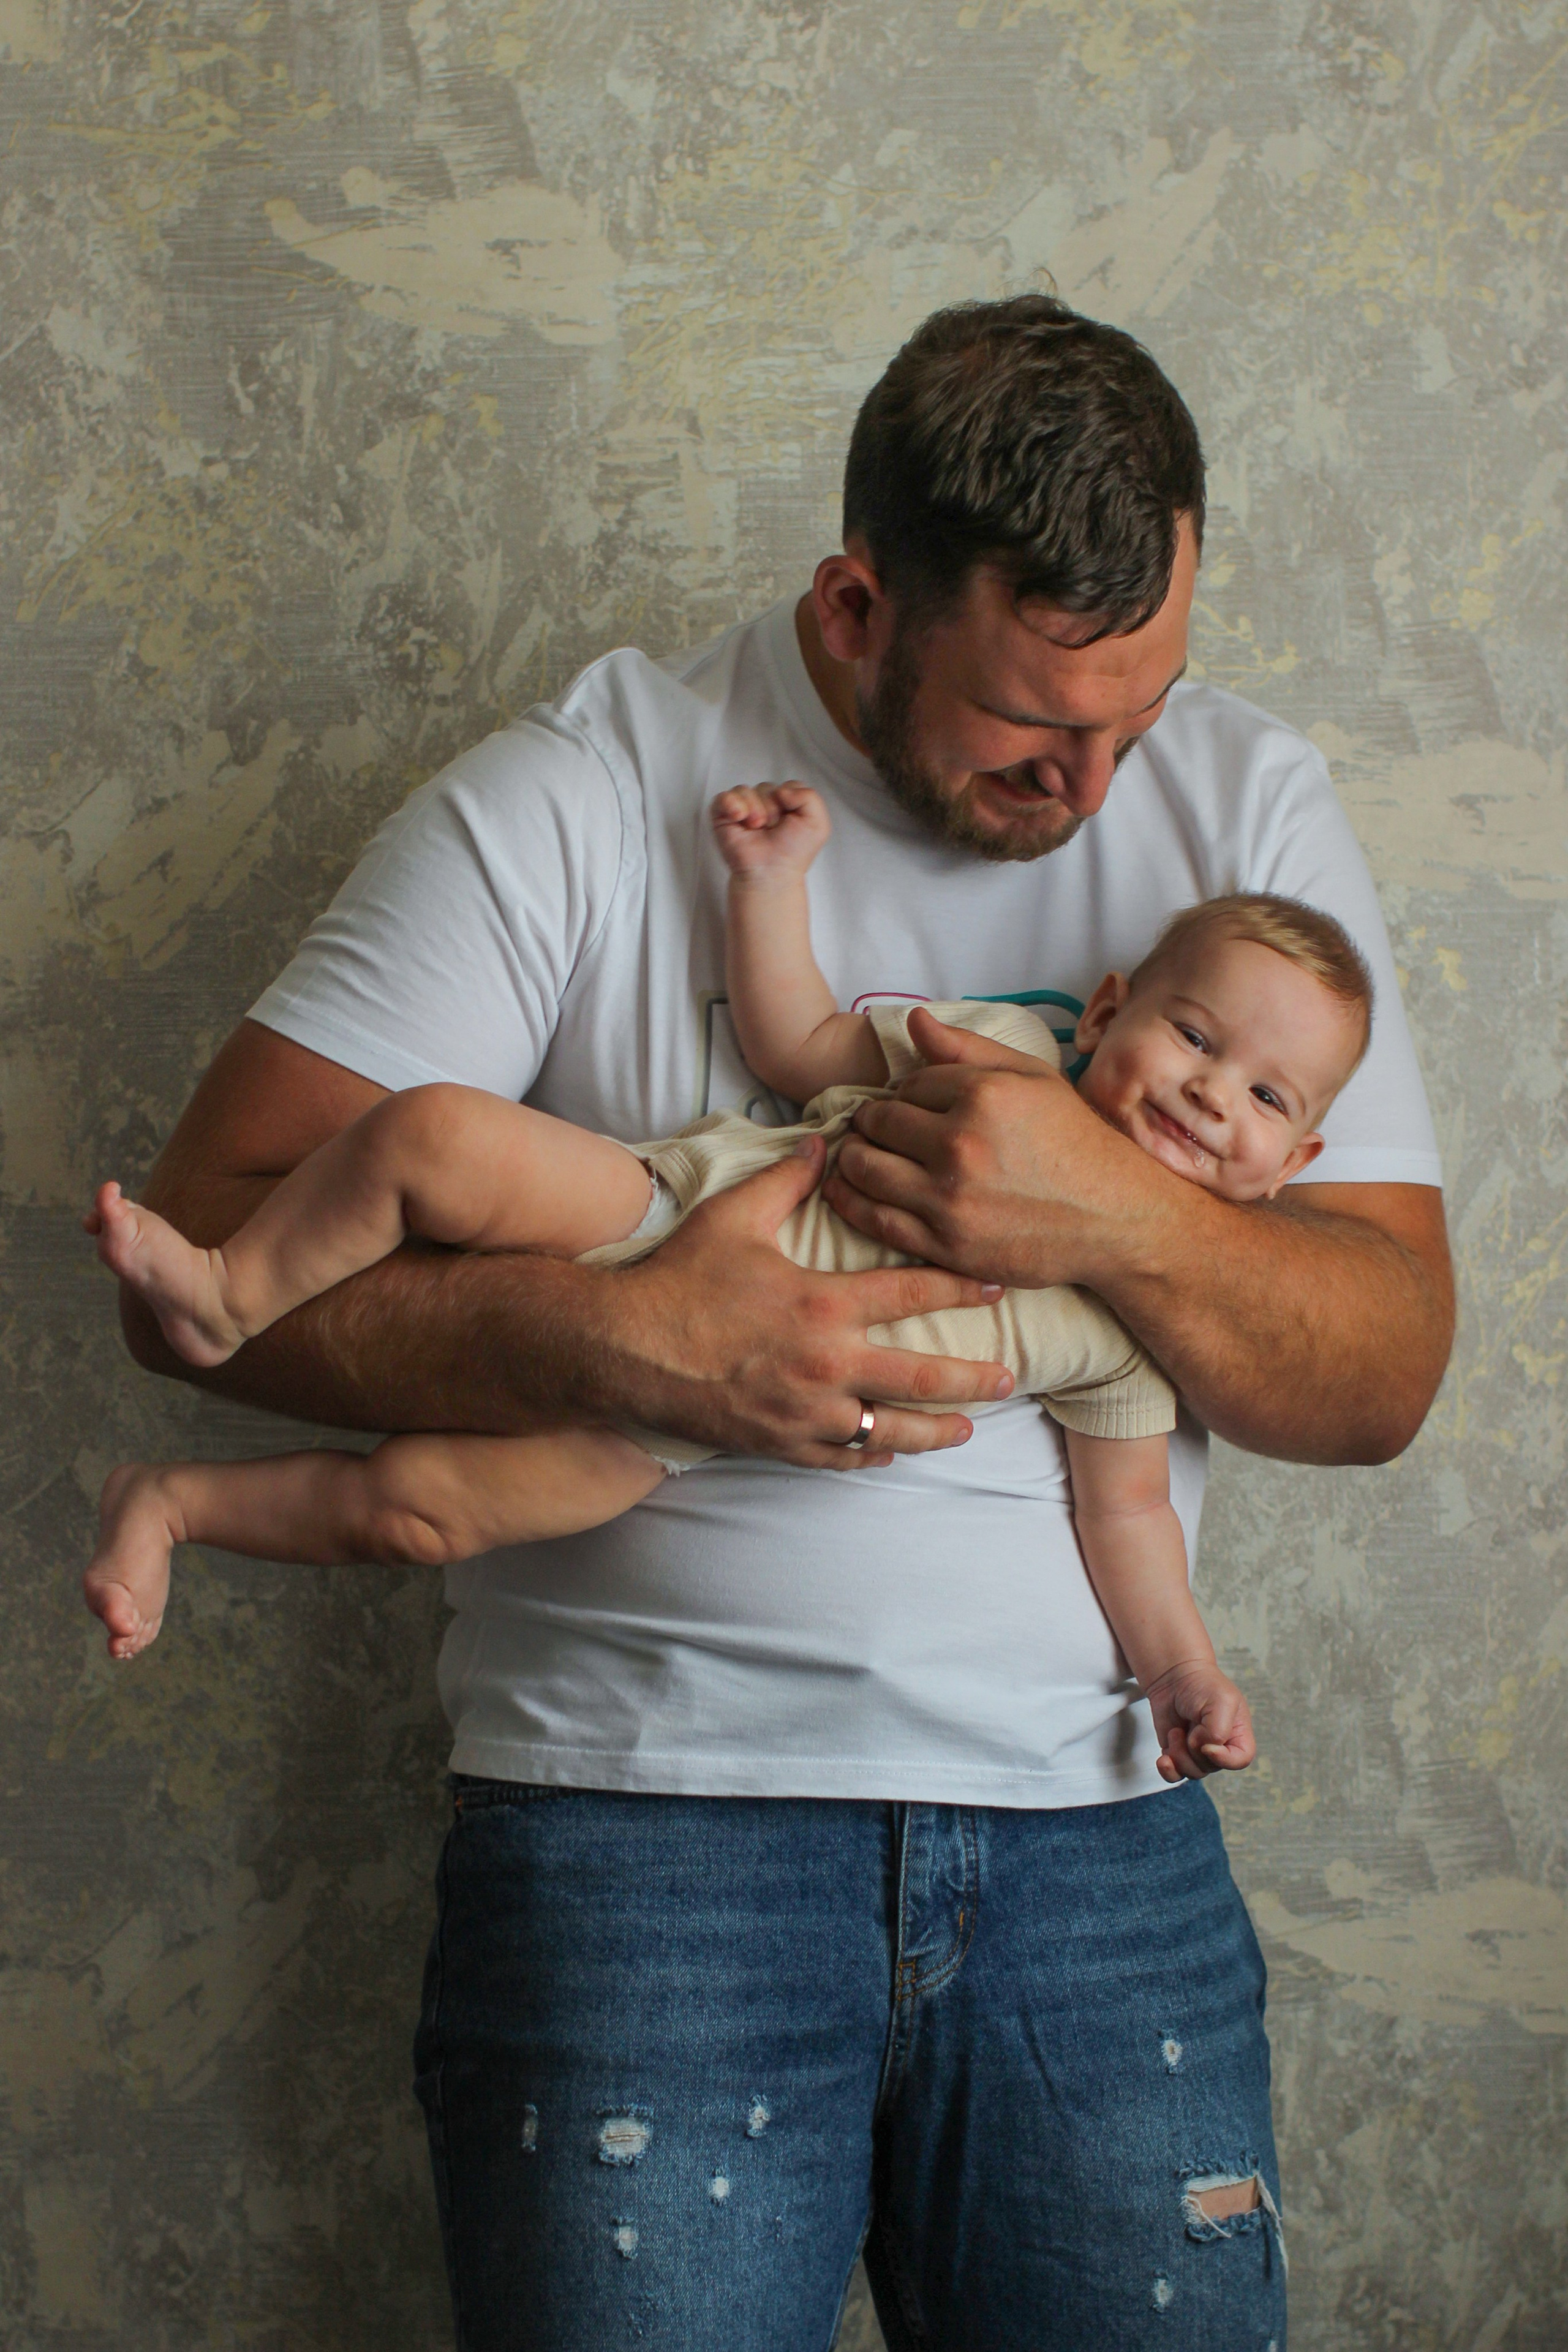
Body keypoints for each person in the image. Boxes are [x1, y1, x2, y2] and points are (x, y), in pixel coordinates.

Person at [115, 296, 1452, 2348]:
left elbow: (1378, 1368)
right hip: (648, 1835)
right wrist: (622, 1344)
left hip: (1100, 1849)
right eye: (1037, 730)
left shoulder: (1249, 825)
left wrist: (1107, 1210)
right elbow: (205, 1246)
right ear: (855, 610)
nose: (1102, 788)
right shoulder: (576, 794)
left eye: (1144, 713)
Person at [87, 814, 1374, 1793]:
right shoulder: (1002, 1059)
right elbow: (798, 1045)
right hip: (663, 1206)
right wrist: (768, 888)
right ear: (1108, 1012)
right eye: (1195, 1039)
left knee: (414, 1516)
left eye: (1268, 1098)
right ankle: (226, 1291)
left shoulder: (1140, 1328)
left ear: (1295, 1166)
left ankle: (175, 1504)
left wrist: (1177, 1672)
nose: (1214, 1094)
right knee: (429, 1136)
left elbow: (1132, 1511)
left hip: (663, 1440)